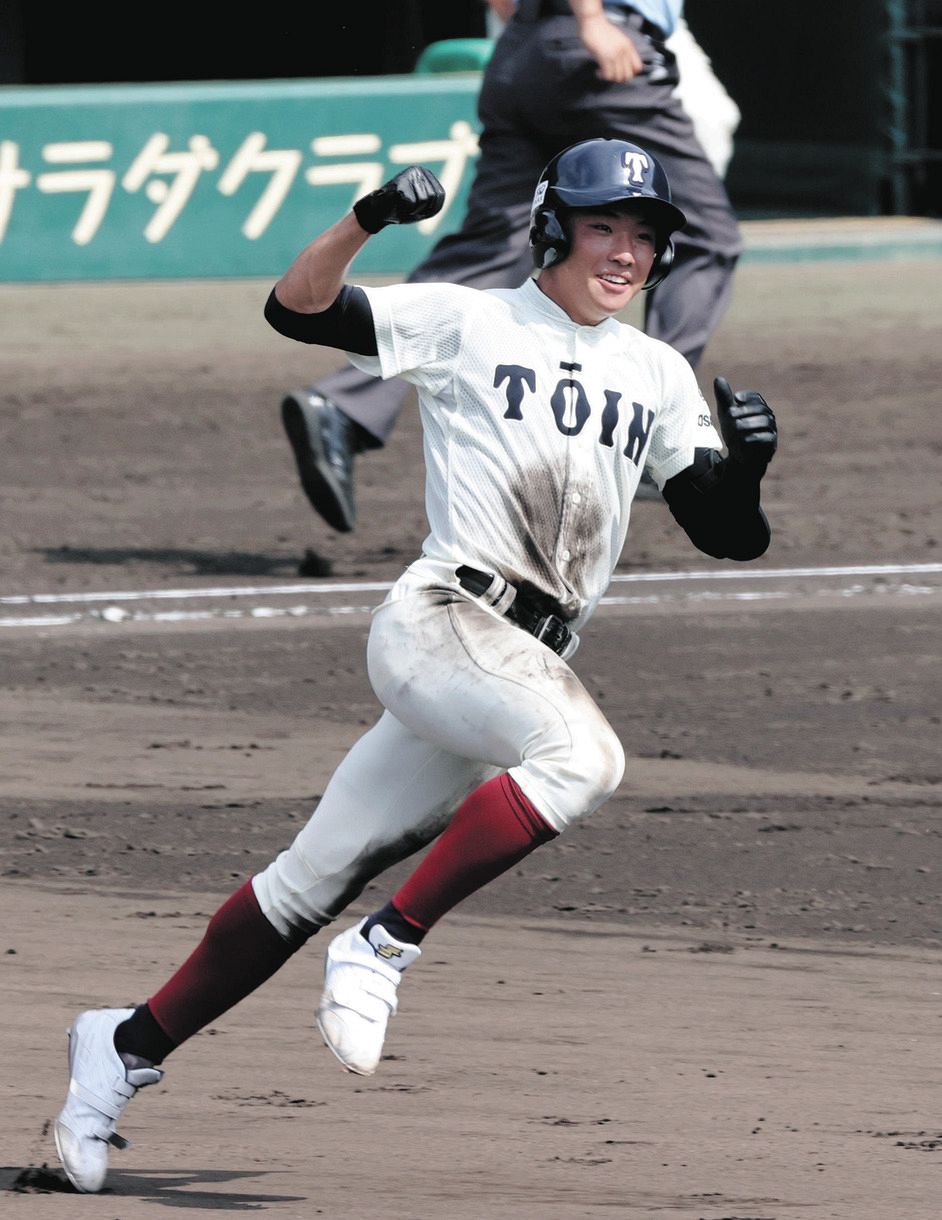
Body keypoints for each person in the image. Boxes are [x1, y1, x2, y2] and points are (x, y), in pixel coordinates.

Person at [53, 141, 777, 1192]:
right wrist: (368, 215)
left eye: (645, 234)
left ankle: (121, 1046)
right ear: (554, 227)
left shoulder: (658, 372)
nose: (626, 251)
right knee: (582, 758)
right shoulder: (471, 319)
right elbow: (298, 311)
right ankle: (384, 946)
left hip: (508, 665)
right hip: (442, 619)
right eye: (604, 225)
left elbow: (725, 533)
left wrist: (745, 468)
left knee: (304, 881)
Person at [280, 0, 743, 534]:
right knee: (707, 235)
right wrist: (590, 20)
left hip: (523, 52)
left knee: (490, 246)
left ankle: (343, 408)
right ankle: (658, 425)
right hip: (594, 50)